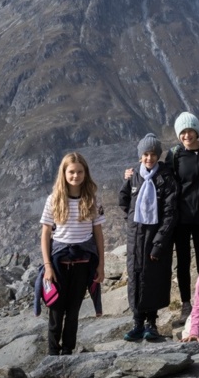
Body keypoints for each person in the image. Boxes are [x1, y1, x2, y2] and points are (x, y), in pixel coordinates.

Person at [39, 153, 105, 356]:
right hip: (59, 261)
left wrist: (101, 266)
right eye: (71, 172)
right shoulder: (54, 200)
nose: (75, 176)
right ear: (64, 173)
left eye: (79, 172)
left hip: (83, 261)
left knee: (74, 309)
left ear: (85, 173)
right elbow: (46, 234)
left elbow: (98, 235)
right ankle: (52, 352)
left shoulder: (92, 200)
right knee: (56, 309)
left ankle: (68, 351)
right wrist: (48, 266)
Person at [120, 134, 179, 341]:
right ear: (140, 156)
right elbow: (123, 198)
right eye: (145, 154)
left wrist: (159, 243)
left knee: (153, 279)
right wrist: (131, 219)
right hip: (135, 237)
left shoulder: (165, 178)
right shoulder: (134, 176)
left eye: (153, 154)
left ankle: (151, 323)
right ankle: (137, 322)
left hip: (154, 238)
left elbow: (170, 213)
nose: (149, 158)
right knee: (135, 277)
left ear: (158, 155)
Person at [164, 113, 199, 321]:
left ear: (196, 131)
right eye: (182, 132)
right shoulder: (174, 155)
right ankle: (186, 303)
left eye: (190, 130)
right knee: (183, 262)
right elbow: (163, 181)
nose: (186, 135)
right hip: (182, 218)